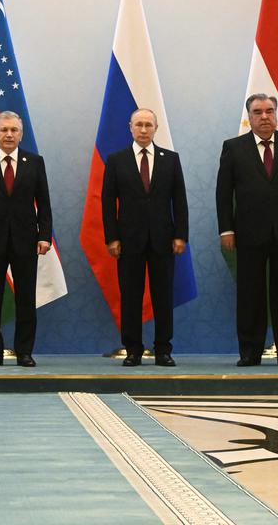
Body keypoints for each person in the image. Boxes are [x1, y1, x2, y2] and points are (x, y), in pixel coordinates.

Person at [216, 93, 278, 367]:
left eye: (269, 111)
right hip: (248, 233)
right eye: (258, 112)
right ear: (249, 117)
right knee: (250, 294)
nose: (264, 117)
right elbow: (224, 193)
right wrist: (226, 230)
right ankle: (250, 352)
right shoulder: (234, 147)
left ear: (276, 114)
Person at [101, 108, 188, 367]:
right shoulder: (117, 160)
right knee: (131, 296)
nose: (143, 129)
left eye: (148, 125)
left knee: (163, 296)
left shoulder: (170, 159)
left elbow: (179, 200)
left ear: (156, 128)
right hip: (128, 240)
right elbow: (107, 202)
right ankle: (133, 349)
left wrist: (180, 235)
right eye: (138, 124)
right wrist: (112, 238)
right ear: (130, 127)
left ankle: (163, 349)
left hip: (164, 239)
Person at [0, 111, 53, 367]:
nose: (8, 134)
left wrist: (45, 236)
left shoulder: (35, 163)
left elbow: (45, 204)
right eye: (3, 130)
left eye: (14, 130)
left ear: (21, 134)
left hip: (26, 241)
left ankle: (24, 351)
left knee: (25, 297)